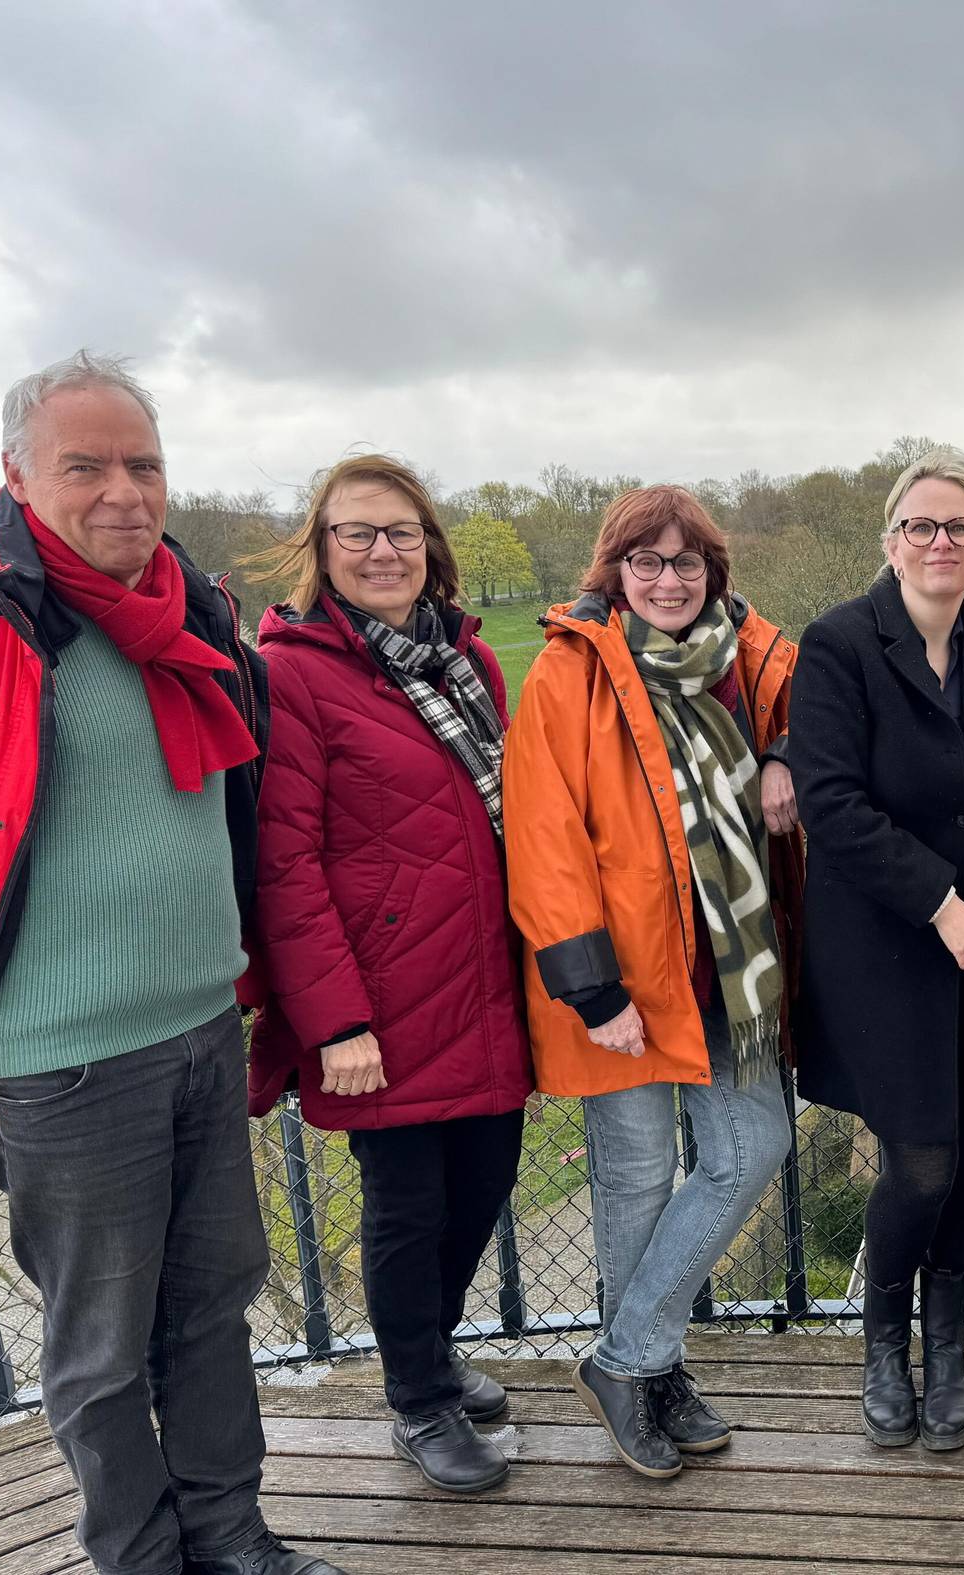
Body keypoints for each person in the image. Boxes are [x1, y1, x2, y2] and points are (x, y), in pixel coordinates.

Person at [0, 352, 342, 1575]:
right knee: (103, 1347)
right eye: (87, 467)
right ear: (16, 476)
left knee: (212, 1307)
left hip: (200, 1029)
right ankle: (139, 1556)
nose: (125, 492)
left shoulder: (187, 607)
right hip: (55, 1063)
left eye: (144, 464)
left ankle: (230, 1535)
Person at [247, 454, 533, 1495]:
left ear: (429, 546)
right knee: (408, 1206)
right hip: (378, 999)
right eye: (357, 533)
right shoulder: (293, 673)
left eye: (401, 532)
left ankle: (433, 1353)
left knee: (484, 1183)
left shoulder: (467, 660)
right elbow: (284, 863)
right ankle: (416, 1398)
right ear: (321, 551)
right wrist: (335, 1021)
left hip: (483, 981)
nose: (382, 551)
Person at [504, 484, 803, 1480]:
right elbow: (544, 835)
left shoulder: (750, 656)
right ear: (616, 570)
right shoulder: (570, 670)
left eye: (686, 562)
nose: (668, 581)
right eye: (647, 561)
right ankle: (652, 1371)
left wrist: (785, 754)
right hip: (622, 977)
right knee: (634, 1177)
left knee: (753, 1146)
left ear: (713, 571)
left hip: (729, 970)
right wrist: (593, 990)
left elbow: (824, 714)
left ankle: (626, 1359)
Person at [789, 445, 964, 1452]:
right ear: (891, 541)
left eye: (960, 527)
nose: (942, 541)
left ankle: (950, 1349)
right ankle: (884, 1344)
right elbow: (831, 801)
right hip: (885, 948)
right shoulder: (840, 643)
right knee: (924, 1157)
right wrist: (941, 903)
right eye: (921, 526)